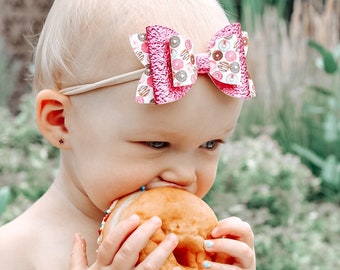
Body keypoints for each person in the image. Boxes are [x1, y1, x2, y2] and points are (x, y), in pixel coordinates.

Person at [0, 0, 256, 269]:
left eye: (210, 143)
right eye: (157, 143)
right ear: (60, 121)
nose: (184, 175)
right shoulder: (14, 254)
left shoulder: (196, 247)